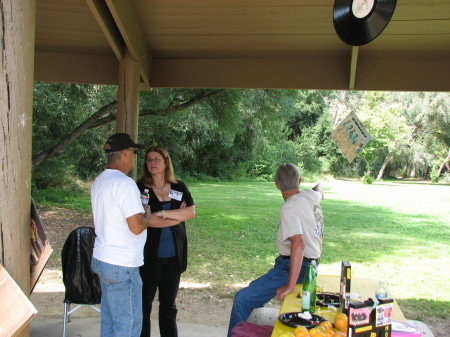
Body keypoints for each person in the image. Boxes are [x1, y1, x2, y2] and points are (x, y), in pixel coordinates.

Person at [91, 133, 179, 337]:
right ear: (123, 154)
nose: (134, 157)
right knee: (128, 326)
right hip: (122, 266)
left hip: (103, 260)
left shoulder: (99, 181)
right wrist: (147, 214)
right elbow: (137, 226)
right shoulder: (125, 183)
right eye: (133, 152)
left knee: (110, 323)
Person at [227, 163, 324, 336]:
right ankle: (252, 329)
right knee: (254, 289)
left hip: (294, 268)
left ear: (277, 184)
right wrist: (319, 185)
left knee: (242, 299)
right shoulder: (310, 195)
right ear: (299, 181)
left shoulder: (289, 207)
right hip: (309, 267)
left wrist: (290, 285)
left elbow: (298, 244)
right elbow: (319, 191)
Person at [136, 145, 196, 337]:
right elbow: (143, 221)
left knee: (169, 306)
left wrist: (161, 213)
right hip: (149, 257)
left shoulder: (178, 186)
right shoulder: (140, 187)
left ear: (166, 162)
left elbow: (191, 212)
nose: (152, 162)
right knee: (143, 306)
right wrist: (177, 217)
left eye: (156, 159)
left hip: (173, 256)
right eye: (149, 159)